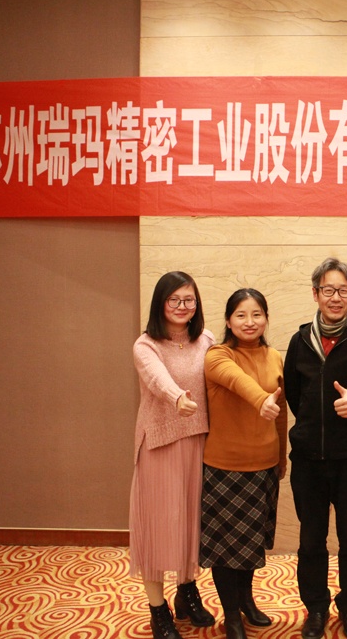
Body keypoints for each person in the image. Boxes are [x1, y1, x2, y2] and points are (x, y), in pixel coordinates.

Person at [284, 258, 347, 639]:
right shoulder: (300, 341)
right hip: (308, 459)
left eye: (343, 290)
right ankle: (315, 608)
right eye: (328, 290)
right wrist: (314, 425)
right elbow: (294, 393)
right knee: (311, 539)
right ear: (316, 294)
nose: (336, 298)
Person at [130, 271, 217, 639]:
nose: (183, 306)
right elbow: (157, 378)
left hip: (199, 441)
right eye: (174, 300)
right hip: (160, 444)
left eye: (189, 300)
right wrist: (177, 396)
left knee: (190, 523)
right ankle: (158, 609)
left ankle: (187, 591)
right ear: (161, 303)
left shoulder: (206, 340)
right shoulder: (146, 345)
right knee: (157, 528)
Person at [201, 288, 288, 639]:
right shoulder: (217, 355)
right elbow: (239, 381)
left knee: (250, 544)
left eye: (256, 314)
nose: (249, 322)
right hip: (225, 467)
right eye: (241, 315)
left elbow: (281, 412)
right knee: (226, 549)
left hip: (263, 464)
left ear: (266, 318)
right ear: (228, 320)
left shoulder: (274, 356)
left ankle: (247, 602)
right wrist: (261, 400)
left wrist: (280, 455)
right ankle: (231, 614)